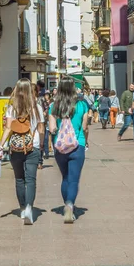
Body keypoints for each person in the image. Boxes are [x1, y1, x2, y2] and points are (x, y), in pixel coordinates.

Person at [0, 78, 44, 225]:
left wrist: (0, 145)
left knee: (19, 179)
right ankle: (29, 207)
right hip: (33, 146)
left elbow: (8, 129)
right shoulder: (37, 108)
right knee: (31, 180)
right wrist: (41, 144)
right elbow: (41, 129)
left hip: (15, 148)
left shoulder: (12, 108)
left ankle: (22, 208)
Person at [48, 76, 89, 224]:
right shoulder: (82, 105)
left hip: (60, 147)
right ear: (73, 89)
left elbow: (52, 128)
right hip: (78, 145)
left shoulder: (54, 106)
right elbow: (84, 127)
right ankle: (70, 204)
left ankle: (67, 204)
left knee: (65, 177)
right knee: (74, 179)